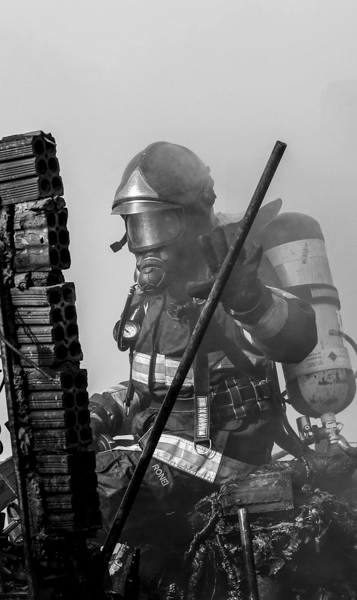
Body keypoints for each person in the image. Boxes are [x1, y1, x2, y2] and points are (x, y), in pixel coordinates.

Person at [91, 142, 318, 544]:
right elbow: (154, 384)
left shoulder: (232, 273)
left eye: (158, 225)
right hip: (160, 446)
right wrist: (101, 408)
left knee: (91, 490)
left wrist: (249, 301)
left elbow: (294, 340)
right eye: (137, 226)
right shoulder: (153, 297)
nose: (146, 244)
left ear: (195, 216)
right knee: (38, 472)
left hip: (221, 461)